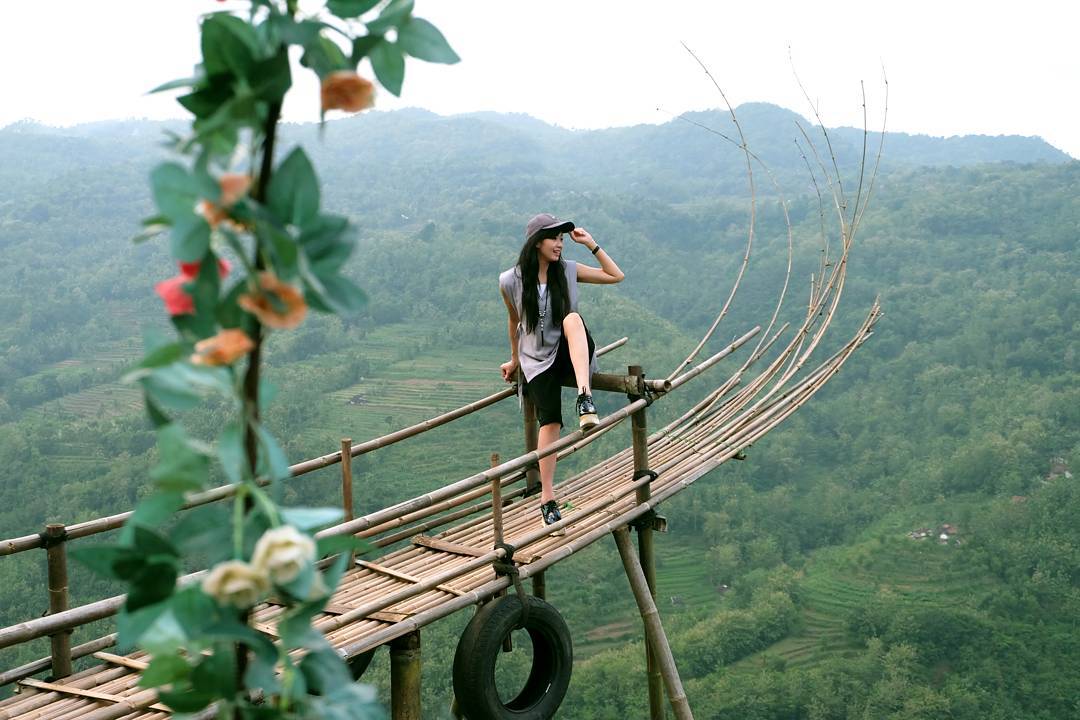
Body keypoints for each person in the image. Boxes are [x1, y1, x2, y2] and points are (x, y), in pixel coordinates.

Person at [498, 213, 625, 525]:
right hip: (535, 359)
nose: (559, 245)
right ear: (536, 242)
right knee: (550, 422)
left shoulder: (567, 270)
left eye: (562, 239)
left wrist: (592, 245)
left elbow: (615, 275)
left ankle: (585, 397)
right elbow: (515, 322)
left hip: (570, 350)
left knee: (573, 318)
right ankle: (547, 498)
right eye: (554, 238)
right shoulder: (510, 280)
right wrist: (514, 360)